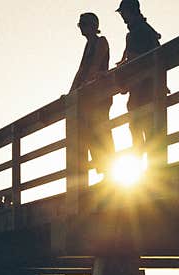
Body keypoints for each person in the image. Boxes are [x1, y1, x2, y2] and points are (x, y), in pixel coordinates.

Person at [117, 0, 163, 156]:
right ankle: (148, 164)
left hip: (143, 86)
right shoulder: (142, 30)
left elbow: (136, 58)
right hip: (143, 85)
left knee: (142, 125)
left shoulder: (139, 31)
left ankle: (148, 165)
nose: (122, 16)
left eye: (123, 13)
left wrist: (122, 71)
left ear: (130, 11)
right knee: (141, 126)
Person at [70, 12, 113, 173]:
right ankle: (102, 169)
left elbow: (94, 67)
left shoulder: (101, 42)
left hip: (100, 95)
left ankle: (109, 169)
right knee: (89, 133)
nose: (81, 27)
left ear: (92, 25)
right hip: (89, 97)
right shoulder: (88, 45)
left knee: (101, 131)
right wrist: (71, 93)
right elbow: (81, 71)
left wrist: (82, 87)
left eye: (83, 24)